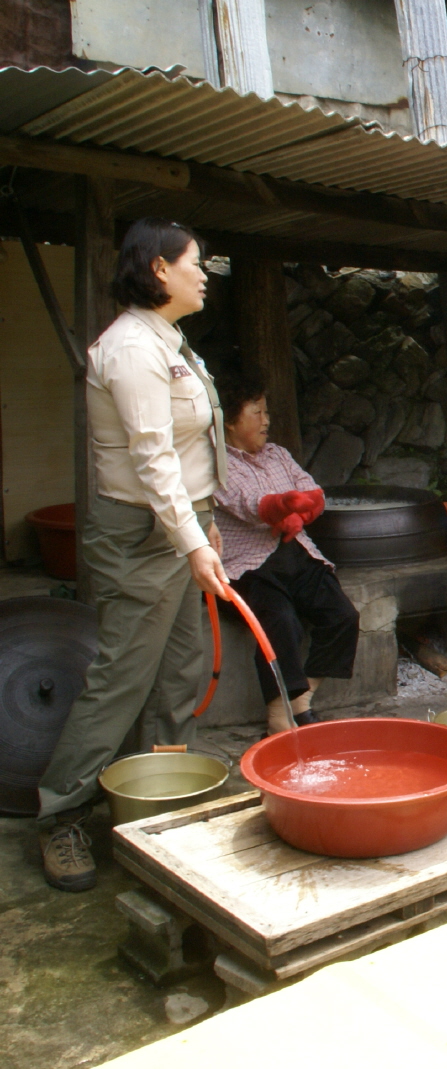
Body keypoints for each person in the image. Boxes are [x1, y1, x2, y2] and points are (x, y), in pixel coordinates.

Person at [35, 218, 230, 893]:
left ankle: (161, 796)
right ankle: (61, 815)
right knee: (121, 679)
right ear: (157, 269)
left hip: (182, 527)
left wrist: (207, 529)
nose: (203, 273)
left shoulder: (173, 343)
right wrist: (193, 538)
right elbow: (151, 460)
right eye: (193, 262)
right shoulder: (128, 349)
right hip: (144, 534)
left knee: (183, 671)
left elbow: (190, 456)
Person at [213, 372, 358, 734]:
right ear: (231, 421)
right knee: (281, 621)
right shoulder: (216, 463)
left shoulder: (278, 454)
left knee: (342, 615)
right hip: (248, 567)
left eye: (266, 412)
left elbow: (310, 489)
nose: (266, 421)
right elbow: (248, 505)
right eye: (257, 413)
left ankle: (301, 699)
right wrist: (284, 506)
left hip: (297, 554)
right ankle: (279, 714)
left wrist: (304, 509)